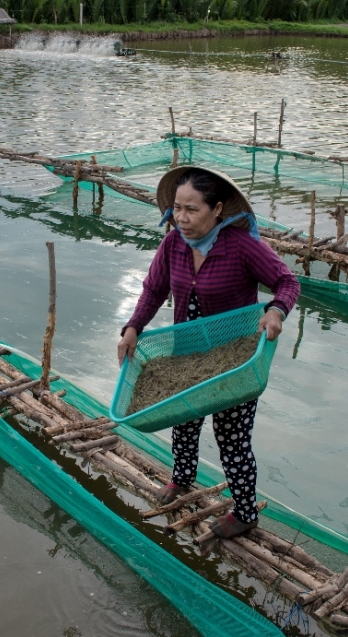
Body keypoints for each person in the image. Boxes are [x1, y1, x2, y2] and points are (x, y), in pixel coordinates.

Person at [118, 166, 300, 539]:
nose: (181, 219)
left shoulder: (243, 247)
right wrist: (133, 328)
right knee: (183, 424)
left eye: (192, 209)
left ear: (217, 209)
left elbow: (287, 280)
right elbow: (154, 290)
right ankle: (181, 479)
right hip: (186, 357)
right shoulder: (173, 245)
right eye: (176, 209)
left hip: (234, 362)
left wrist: (276, 310)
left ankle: (246, 512)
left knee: (232, 439)